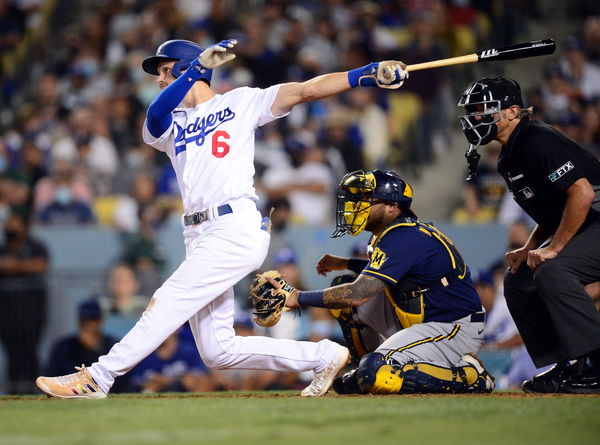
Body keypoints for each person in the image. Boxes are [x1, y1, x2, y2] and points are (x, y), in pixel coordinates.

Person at [36, 38, 409, 398]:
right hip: (198, 232)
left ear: (183, 68)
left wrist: (368, 71)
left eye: (165, 71)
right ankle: (322, 355)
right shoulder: (168, 124)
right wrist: (195, 69)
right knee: (218, 351)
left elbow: (305, 90)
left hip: (234, 226)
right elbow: (154, 112)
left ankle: (98, 377)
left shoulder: (241, 101)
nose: (159, 79)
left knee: (168, 301)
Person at [272, 169, 494, 395]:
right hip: (424, 319)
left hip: (452, 326)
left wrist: (297, 297)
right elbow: (396, 272)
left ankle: (470, 377)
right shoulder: (391, 233)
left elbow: (357, 294)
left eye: (367, 198)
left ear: (392, 206)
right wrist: (348, 263)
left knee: (378, 374)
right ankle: (366, 365)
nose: (358, 204)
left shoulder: (404, 237)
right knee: (343, 291)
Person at [457, 76, 600, 393]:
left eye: (483, 109)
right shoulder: (510, 155)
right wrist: (529, 247)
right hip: (586, 222)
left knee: (554, 270)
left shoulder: (537, 139)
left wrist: (554, 248)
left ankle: (594, 365)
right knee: (518, 278)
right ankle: (567, 365)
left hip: (596, 218)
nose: (476, 117)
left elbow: (582, 195)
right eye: (474, 110)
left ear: (511, 111)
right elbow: (552, 211)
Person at [0, 211, 49, 394]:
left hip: (32, 309)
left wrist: (14, 266)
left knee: (30, 349)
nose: (11, 228)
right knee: (11, 350)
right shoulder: (3, 248)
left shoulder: (36, 246)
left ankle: (31, 387)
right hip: (6, 310)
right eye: (9, 224)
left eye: (15, 223)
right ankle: (13, 388)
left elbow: (41, 264)